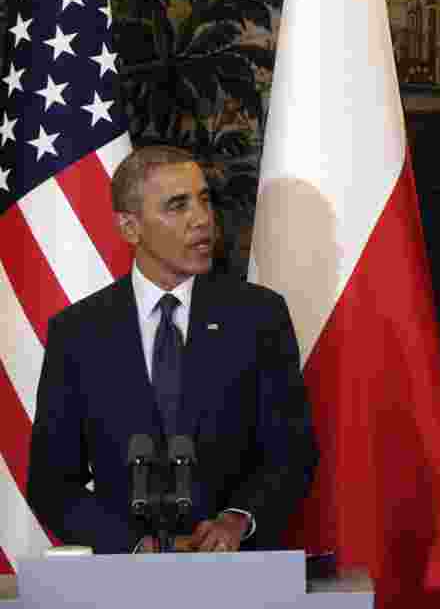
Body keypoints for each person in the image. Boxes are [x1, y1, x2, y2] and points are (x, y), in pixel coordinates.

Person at [27, 146, 318, 554]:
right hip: (121, 586)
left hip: (236, 576)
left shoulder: (258, 317)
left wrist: (238, 518)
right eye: (177, 206)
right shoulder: (78, 332)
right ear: (130, 227)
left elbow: (291, 449)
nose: (201, 219)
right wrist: (134, 544)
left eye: (203, 199)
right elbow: (52, 482)